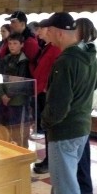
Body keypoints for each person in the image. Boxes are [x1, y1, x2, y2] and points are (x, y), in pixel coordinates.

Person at [37, 12, 97, 194]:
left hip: (65, 129)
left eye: (49, 31)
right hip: (81, 126)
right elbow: (90, 88)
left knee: (65, 182)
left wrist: (47, 122)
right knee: (64, 175)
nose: (46, 36)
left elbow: (59, 104)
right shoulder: (88, 55)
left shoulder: (65, 61)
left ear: (59, 32)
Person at [75, 17, 97, 194]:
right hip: (91, 98)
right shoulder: (93, 49)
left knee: (82, 145)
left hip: (86, 99)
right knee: (82, 144)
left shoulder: (89, 51)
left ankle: (84, 185)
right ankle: (84, 185)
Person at [30, 19, 63, 174]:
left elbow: (53, 71)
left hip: (45, 91)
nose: (38, 33)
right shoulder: (47, 47)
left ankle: (51, 161)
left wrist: (46, 88)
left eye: (41, 30)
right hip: (40, 89)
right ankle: (49, 159)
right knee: (47, 128)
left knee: (50, 129)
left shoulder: (55, 49)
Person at [0, 33, 31, 147]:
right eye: (10, 43)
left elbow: (22, 82)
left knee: (17, 130)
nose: (12, 46)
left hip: (17, 101)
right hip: (2, 100)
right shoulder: (5, 59)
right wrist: (2, 95)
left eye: (15, 43)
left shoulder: (25, 62)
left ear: (22, 45)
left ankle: (21, 151)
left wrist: (9, 95)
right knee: (1, 128)